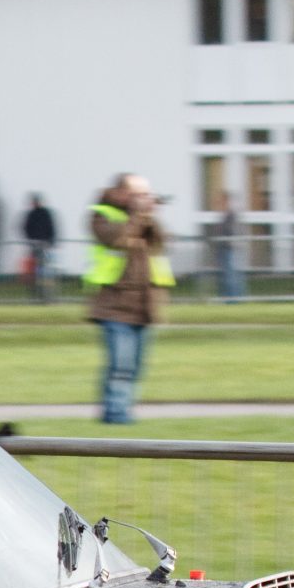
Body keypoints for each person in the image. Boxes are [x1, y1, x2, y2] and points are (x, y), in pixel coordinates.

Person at [84, 173, 174, 426]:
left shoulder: (143, 220)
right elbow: (119, 239)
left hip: (143, 306)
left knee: (134, 367)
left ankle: (124, 411)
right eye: (138, 194)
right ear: (121, 193)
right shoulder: (101, 215)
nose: (143, 199)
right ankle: (116, 415)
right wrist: (138, 215)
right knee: (120, 367)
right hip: (115, 307)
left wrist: (150, 216)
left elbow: (162, 242)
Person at [21, 192, 58, 302]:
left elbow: (50, 228)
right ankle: (37, 295)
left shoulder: (42, 213)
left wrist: (49, 242)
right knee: (37, 272)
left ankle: (45, 295)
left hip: (44, 246)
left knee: (45, 272)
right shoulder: (35, 214)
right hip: (37, 246)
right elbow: (26, 229)